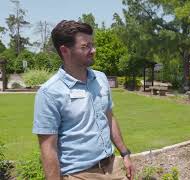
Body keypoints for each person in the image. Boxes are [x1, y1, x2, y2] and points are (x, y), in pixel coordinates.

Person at [32, 20, 134, 180]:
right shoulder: (49, 92)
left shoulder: (100, 79)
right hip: (79, 175)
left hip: (112, 167)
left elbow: (109, 117)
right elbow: (48, 149)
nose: (93, 50)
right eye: (85, 46)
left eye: (92, 45)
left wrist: (125, 153)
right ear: (65, 51)